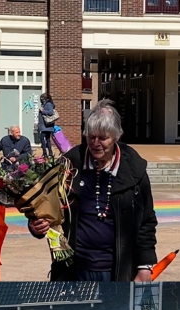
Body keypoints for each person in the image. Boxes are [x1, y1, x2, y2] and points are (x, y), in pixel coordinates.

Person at [28, 99, 157, 282]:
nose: (95, 143)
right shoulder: (69, 165)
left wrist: (145, 266)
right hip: (73, 270)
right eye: (91, 137)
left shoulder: (135, 170)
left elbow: (146, 222)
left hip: (119, 271)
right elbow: (46, 209)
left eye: (103, 138)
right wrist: (36, 225)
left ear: (116, 136)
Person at [37, 93, 56, 157]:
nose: (41, 100)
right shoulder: (45, 104)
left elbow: (50, 112)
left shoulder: (48, 104)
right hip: (46, 126)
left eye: (42, 99)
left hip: (46, 126)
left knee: (42, 137)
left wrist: (42, 111)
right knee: (47, 139)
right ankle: (50, 152)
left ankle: (45, 152)